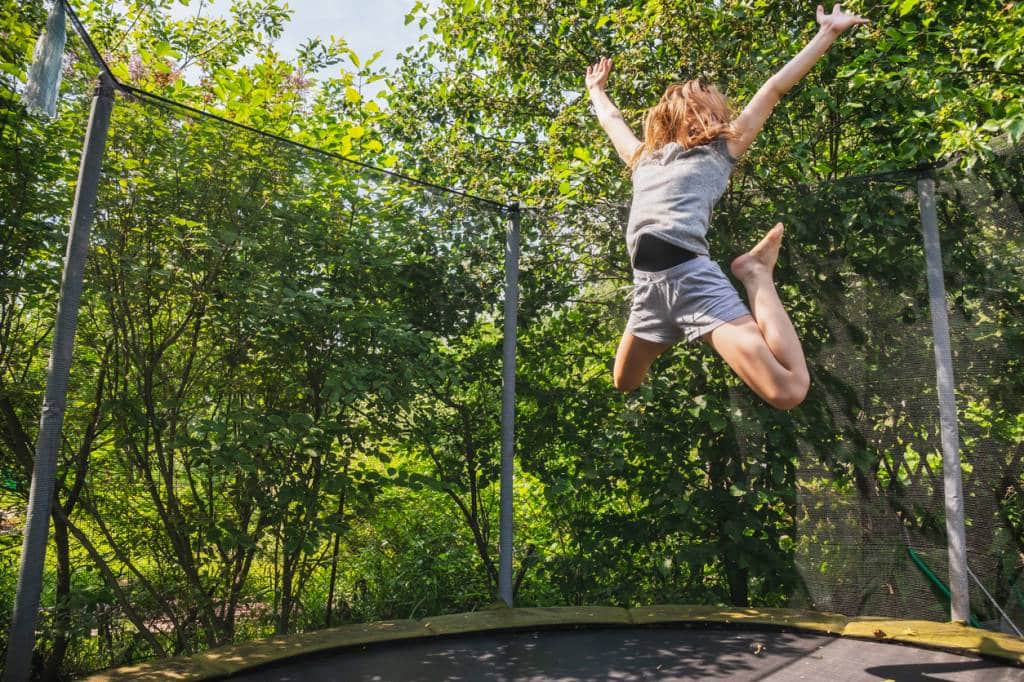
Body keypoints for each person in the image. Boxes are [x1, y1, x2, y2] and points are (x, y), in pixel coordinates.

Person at [585, 3, 868, 410]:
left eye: (712, 114)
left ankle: (755, 275)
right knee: (624, 381)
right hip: (648, 291)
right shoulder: (644, 159)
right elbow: (613, 122)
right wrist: (597, 90)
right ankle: (680, 326)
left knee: (788, 392)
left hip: (693, 282)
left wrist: (827, 35)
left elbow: (773, 89)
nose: (707, 121)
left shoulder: (721, 153)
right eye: (696, 114)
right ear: (674, 119)